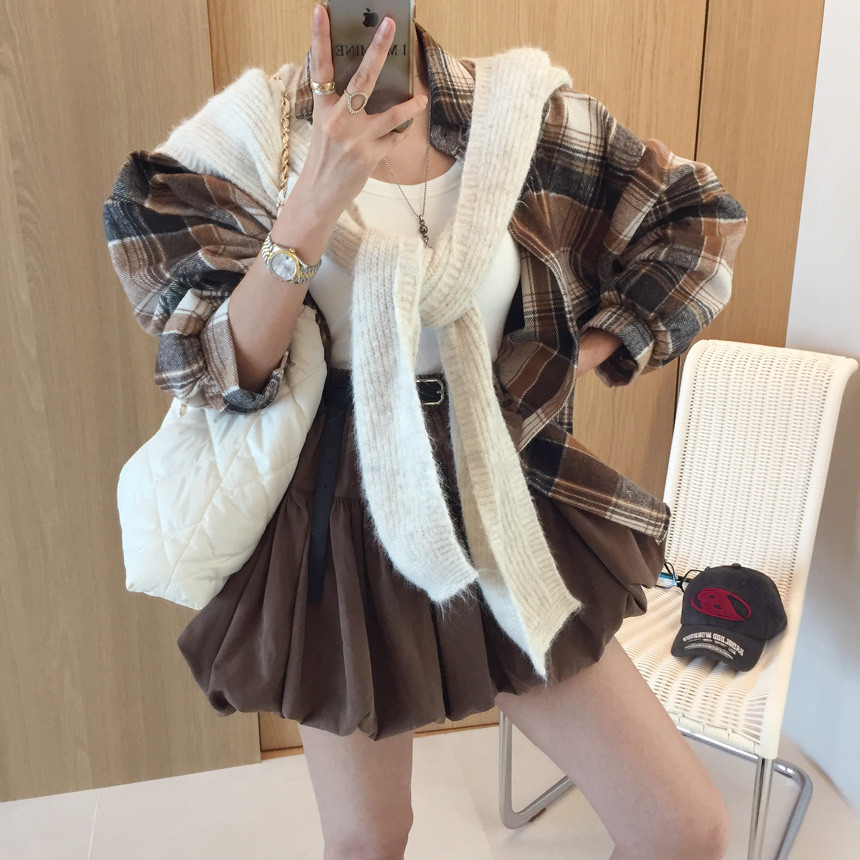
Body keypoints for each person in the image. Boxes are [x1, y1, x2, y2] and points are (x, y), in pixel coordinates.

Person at [104, 4, 747, 859]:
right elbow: (218, 371)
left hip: (502, 493)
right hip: (339, 511)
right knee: (369, 839)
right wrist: (311, 203)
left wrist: (583, 351)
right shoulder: (243, 147)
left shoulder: (524, 117)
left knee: (684, 827)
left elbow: (695, 222)